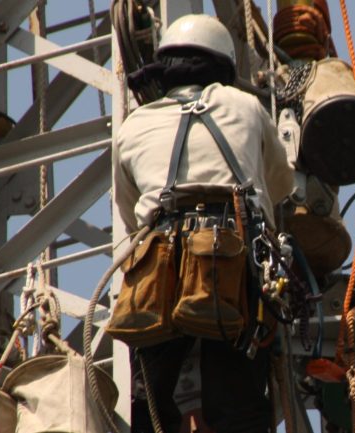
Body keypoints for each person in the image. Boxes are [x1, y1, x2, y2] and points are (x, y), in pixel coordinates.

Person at [113, 14, 293, 433]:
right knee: (239, 397)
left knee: (150, 401)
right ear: (224, 67)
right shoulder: (245, 106)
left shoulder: (133, 125)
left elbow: (129, 215)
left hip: (154, 270)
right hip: (229, 258)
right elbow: (280, 185)